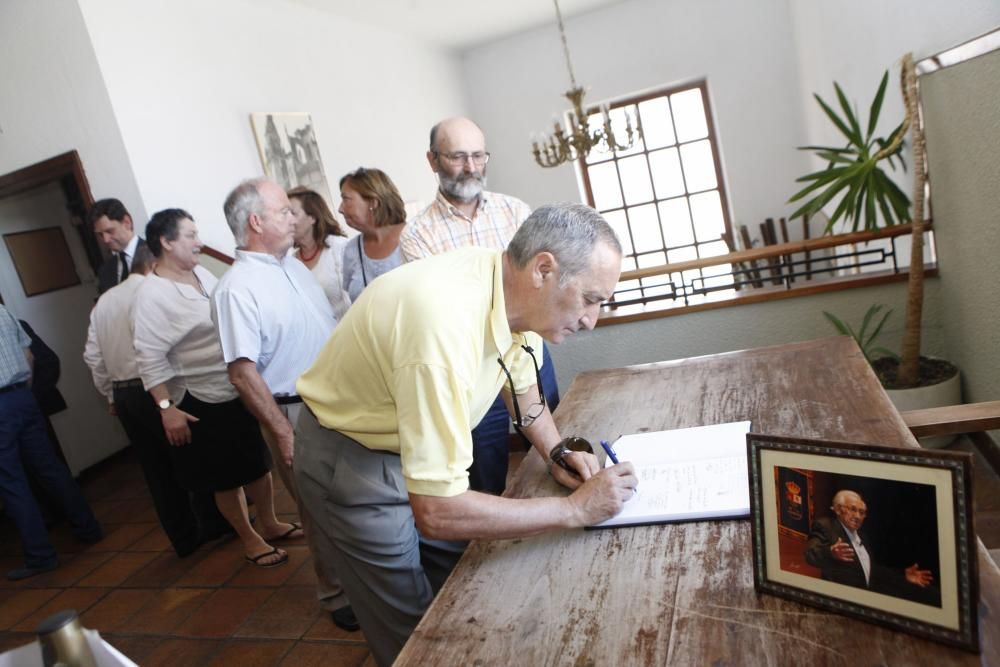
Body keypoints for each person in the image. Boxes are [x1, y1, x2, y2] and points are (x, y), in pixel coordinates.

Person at [294, 203, 638, 666]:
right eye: (590, 299)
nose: (591, 319)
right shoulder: (441, 328)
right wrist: (574, 509)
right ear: (544, 269)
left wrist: (555, 450)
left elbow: (523, 385)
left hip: (410, 448)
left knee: (461, 582)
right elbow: (437, 511)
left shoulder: (509, 289)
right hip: (352, 461)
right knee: (410, 628)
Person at [213, 178, 358, 630]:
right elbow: (242, 373)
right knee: (318, 509)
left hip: (339, 398)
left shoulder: (292, 267)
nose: (294, 218)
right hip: (295, 410)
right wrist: (282, 430)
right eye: (283, 212)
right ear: (256, 221)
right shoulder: (236, 288)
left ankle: (369, 578)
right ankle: (338, 595)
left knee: (357, 497)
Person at [399, 116, 559, 494]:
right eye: (457, 157)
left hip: (526, 349)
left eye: (478, 155)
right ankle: (487, 547)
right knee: (483, 466)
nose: (470, 167)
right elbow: (439, 309)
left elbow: (546, 279)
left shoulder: (516, 212)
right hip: (471, 370)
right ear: (432, 160)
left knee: (552, 442)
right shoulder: (418, 235)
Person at [132, 208, 298, 568]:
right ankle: (250, 538)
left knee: (256, 462)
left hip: (234, 386)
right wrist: (166, 409)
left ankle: (268, 522)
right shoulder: (151, 295)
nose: (200, 243)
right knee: (225, 477)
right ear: (166, 241)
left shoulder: (203, 274)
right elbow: (149, 359)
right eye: (191, 235)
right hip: (197, 396)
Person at [84, 245, 229, 557]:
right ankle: (216, 524)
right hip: (155, 388)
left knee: (155, 471)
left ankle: (184, 539)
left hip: (123, 393)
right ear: (153, 264)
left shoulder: (105, 300)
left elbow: (93, 356)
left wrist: (110, 394)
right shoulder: (152, 293)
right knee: (190, 458)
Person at [0, 304, 102, 580]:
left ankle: (41, 556)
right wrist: (27, 392)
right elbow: (30, 356)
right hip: (23, 396)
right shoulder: (3, 312)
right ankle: (88, 528)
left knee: (12, 482)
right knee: (50, 467)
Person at [804, 489, 935, 597]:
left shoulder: (862, 537)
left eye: (862, 513)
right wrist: (831, 552)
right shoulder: (826, 526)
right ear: (838, 509)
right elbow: (810, 554)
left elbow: (873, 571)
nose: (857, 516)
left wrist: (903, 575)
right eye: (853, 509)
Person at [338, 168, 407, 301]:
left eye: (346, 199)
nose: (340, 209)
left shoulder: (413, 236)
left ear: (373, 202)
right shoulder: (351, 250)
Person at [288, 186, 352, 320]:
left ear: (313, 217)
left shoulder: (340, 248)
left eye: (293, 213)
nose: (288, 220)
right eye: (284, 214)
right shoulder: (289, 262)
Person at [87, 198, 146, 294]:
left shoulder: (157, 254)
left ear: (127, 222)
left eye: (110, 231)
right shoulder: (105, 271)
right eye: (100, 234)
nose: (105, 239)